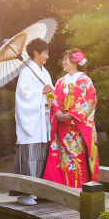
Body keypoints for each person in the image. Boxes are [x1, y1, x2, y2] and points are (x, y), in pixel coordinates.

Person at [43, 49, 99, 188]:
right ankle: (60, 189)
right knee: (61, 160)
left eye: (66, 59)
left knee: (77, 159)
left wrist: (71, 114)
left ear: (75, 61)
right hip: (62, 127)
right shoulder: (60, 81)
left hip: (77, 128)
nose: (63, 62)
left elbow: (90, 100)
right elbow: (53, 99)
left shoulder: (85, 80)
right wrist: (57, 112)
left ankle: (78, 189)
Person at [11, 38, 54, 205]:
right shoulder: (26, 72)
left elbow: (50, 94)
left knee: (44, 155)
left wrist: (50, 95)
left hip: (44, 119)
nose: (47, 56)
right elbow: (24, 97)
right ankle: (24, 193)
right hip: (32, 120)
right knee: (30, 156)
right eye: (45, 53)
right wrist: (41, 91)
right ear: (36, 53)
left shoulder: (45, 72)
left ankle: (42, 191)